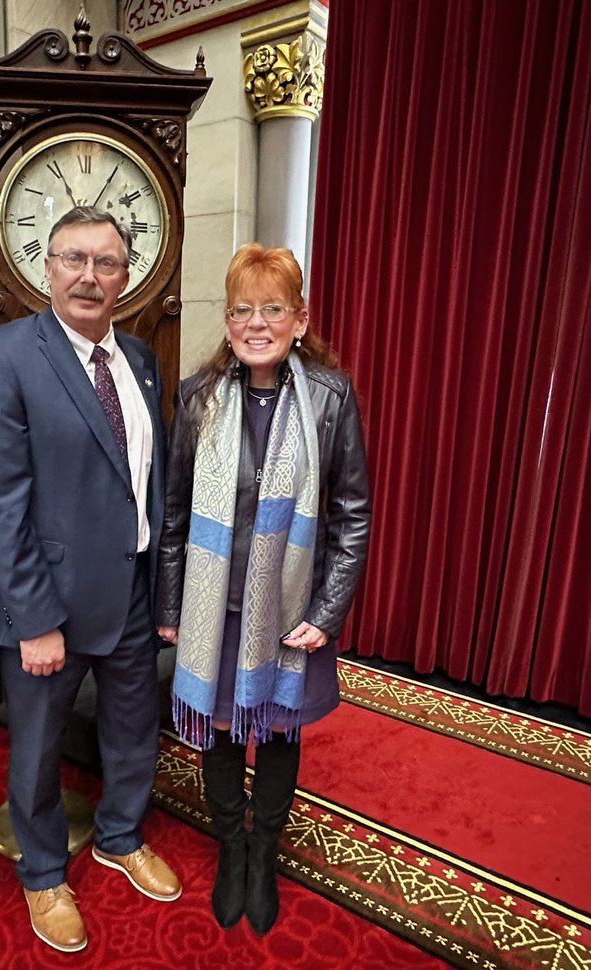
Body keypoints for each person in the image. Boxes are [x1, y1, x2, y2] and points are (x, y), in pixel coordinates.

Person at [0, 206, 180, 954]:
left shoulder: (142, 360)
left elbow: (144, 482)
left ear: (127, 276)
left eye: (107, 262)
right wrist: (34, 617)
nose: (90, 275)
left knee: (131, 731)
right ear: (45, 268)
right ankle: (44, 873)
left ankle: (119, 835)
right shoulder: (5, 354)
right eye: (74, 259)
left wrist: (163, 589)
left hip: (133, 593)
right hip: (47, 606)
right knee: (38, 748)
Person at [155, 244, 371, 935]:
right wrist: (168, 605)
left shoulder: (332, 400)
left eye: (272, 309)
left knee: (276, 733)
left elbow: (353, 515)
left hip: (289, 610)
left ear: (299, 320)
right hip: (210, 610)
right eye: (243, 309)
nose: (256, 322)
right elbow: (175, 511)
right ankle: (232, 850)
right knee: (220, 734)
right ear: (227, 320)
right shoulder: (197, 397)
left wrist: (326, 611)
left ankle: (265, 855)